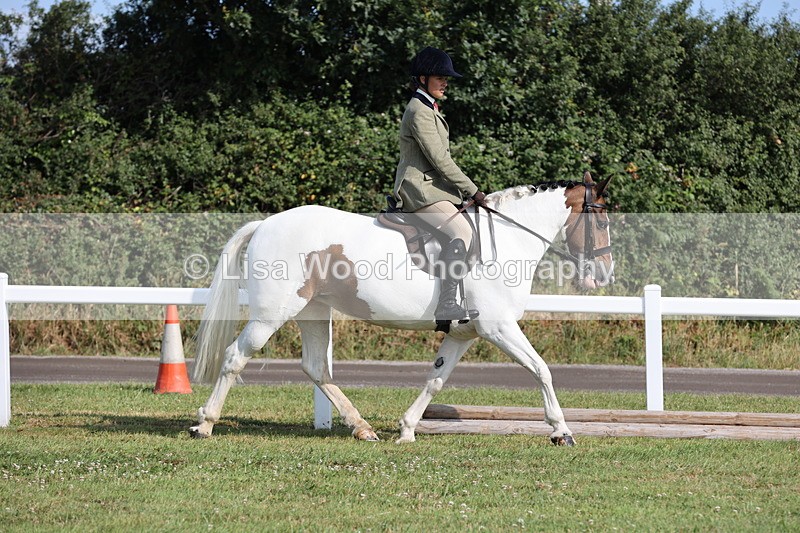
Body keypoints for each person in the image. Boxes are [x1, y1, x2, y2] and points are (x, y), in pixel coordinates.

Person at [392, 46, 487, 326]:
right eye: (439, 77)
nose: (446, 82)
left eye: (447, 78)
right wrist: (473, 190)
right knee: (460, 230)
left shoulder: (428, 107)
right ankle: (446, 304)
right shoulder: (419, 111)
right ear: (422, 79)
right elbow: (440, 160)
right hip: (418, 189)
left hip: (433, 188)